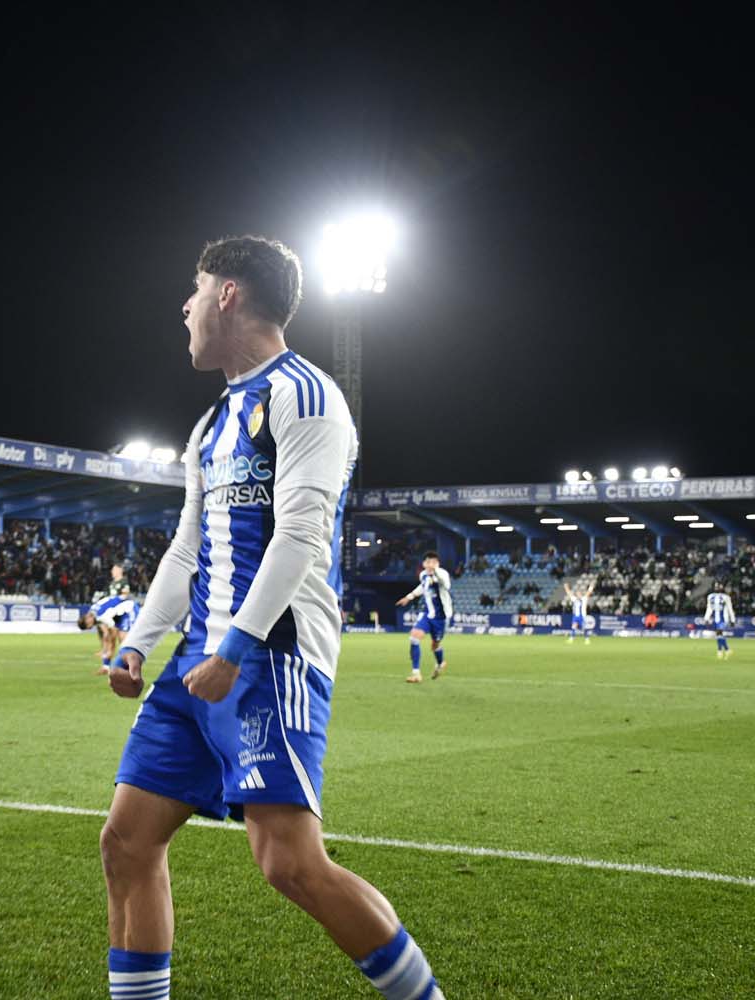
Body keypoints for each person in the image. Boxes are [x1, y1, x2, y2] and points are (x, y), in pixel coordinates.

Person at [102, 236, 442, 999]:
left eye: (195, 290)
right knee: (126, 842)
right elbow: (187, 549)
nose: (184, 307)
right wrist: (138, 645)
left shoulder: (306, 396)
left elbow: (301, 535)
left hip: (269, 656)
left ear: (228, 294)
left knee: (289, 863)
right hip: (199, 661)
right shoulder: (211, 424)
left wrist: (235, 648)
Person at [396, 551, 452, 682]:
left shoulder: (442, 574)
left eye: (433, 562)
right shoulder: (423, 575)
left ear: (438, 564)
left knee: (435, 645)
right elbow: (423, 587)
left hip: (441, 617)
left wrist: (435, 571)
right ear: (423, 564)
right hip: (427, 614)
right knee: (414, 637)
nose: (430, 564)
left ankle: (440, 663)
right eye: (428, 562)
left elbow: (446, 585)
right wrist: (409, 597)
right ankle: (416, 673)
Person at [79, 594, 139, 675]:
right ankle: (106, 667)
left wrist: (111, 648)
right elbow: (106, 633)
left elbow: (113, 631)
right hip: (118, 615)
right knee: (110, 639)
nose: (91, 627)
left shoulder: (102, 616)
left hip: (129, 609)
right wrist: (105, 649)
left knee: (124, 641)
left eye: (89, 626)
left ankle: (130, 669)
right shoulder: (93, 611)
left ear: (87, 619)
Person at [703, 585, 736, 659]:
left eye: (718, 587)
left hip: (723, 618)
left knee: (719, 632)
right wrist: (706, 618)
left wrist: (733, 619)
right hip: (715, 618)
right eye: (716, 587)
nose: (717, 588)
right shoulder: (710, 596)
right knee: (718, 634)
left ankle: (720, 650)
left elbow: (730, 608)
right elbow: (709, 608)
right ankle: (727, 650)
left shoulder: (726, 597)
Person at [563, 579, 594, 644]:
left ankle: (587, 639)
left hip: (582, 616)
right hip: (576, 616)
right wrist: (566, 587)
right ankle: (572, 638)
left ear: (581, 594)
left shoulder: (584, 599)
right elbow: (569, 593)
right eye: (577, 594)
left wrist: (591, 586)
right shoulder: (574, 599)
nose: (578, 595)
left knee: (583, 628)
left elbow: (589, 592)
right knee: (573, 626)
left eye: (579, 594)